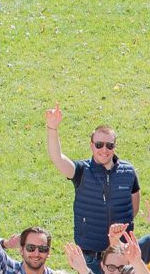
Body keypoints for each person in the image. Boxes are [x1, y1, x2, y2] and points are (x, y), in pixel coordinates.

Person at [46, 108, 141, 260]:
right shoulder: (81, 170)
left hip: (122, 254)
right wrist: (52, 128)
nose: (104, 149)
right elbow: (57, 158)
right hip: (90, 256)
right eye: (99, 144)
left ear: (114, 147)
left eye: (109, 145)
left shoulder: (128, 172)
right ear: (91, 145)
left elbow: (133, 209)